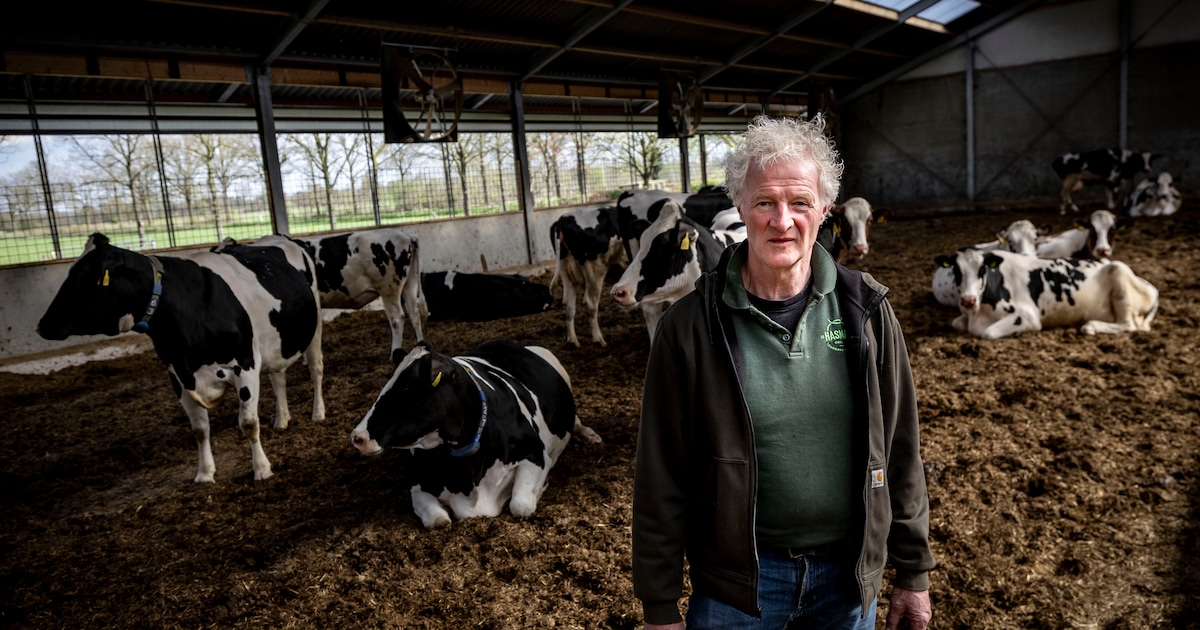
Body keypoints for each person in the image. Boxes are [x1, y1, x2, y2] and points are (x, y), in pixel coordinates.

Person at [631, 114, 935, 630]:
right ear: (741, 208)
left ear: (824, 210)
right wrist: (660, 605)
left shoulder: (866, 311)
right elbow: (660, 473)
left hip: (847, 575)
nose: (782, 220)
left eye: (799, 202)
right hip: (738, 586)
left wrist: (914, 570)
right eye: (765, 203)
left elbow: (900, 446)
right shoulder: (689, 327)